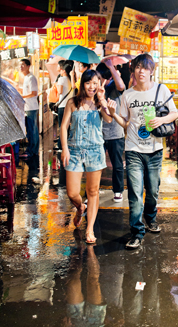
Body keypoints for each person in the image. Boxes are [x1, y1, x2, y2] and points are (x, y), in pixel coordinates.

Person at [109, 54, 178, 249]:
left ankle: (150, 217)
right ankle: (137, 232)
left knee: (153, 191)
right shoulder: (128, 95)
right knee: (135, 193)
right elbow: (125, 122)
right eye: (137, 68)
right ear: (133, 71)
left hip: (155, 149)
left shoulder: (161, 89)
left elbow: (174, 113)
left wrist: (162, 120)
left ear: (151, 71)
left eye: (145, 68)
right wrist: (113, 114)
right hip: (133, 149)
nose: (141, 71)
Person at [61, 70, 117, 244]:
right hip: (74, 151)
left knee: (93, 191)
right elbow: (64, 127)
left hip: (95, 151)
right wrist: (65, 149)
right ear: (82, 84)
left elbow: (108, 120)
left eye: (95, 83)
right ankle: (80, 208)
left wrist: (102, 100)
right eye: (88, 83)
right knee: (72, 193)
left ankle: (90, 229)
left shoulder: (101, 104)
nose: (92, 86)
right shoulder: (72, 103)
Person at [96, 60, 127, 202]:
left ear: (107, 78)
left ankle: (118, 190)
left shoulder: (115, 87)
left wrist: (111, 67)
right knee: (95, 163)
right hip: (98, 132)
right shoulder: (94, 88)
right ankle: (93, 190)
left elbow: (122, 85)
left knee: (117, 164)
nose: (97, 80)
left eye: (100, 77)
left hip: (115, 132)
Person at [17, 58, 40, 158]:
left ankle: (32, 151)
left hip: (31, 108)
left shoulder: (31, 78)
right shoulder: (26, 78)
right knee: (31, 130)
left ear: (28, 66)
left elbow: (34, 93)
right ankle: (32, 150)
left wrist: (22, 96)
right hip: (27, 107)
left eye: (23, 65)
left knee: (32, 130)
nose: (21, 67)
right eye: (20, 65)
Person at [56, 60, 74, 130]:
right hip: (69, 106)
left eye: (61, 70)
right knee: (68, 126)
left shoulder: (61, 79)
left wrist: (57, 85)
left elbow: (60, 91)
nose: (60, 72)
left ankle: (62, 140)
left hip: (63, 106)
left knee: (62, 127)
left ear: (64, 71)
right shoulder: (70, 79)